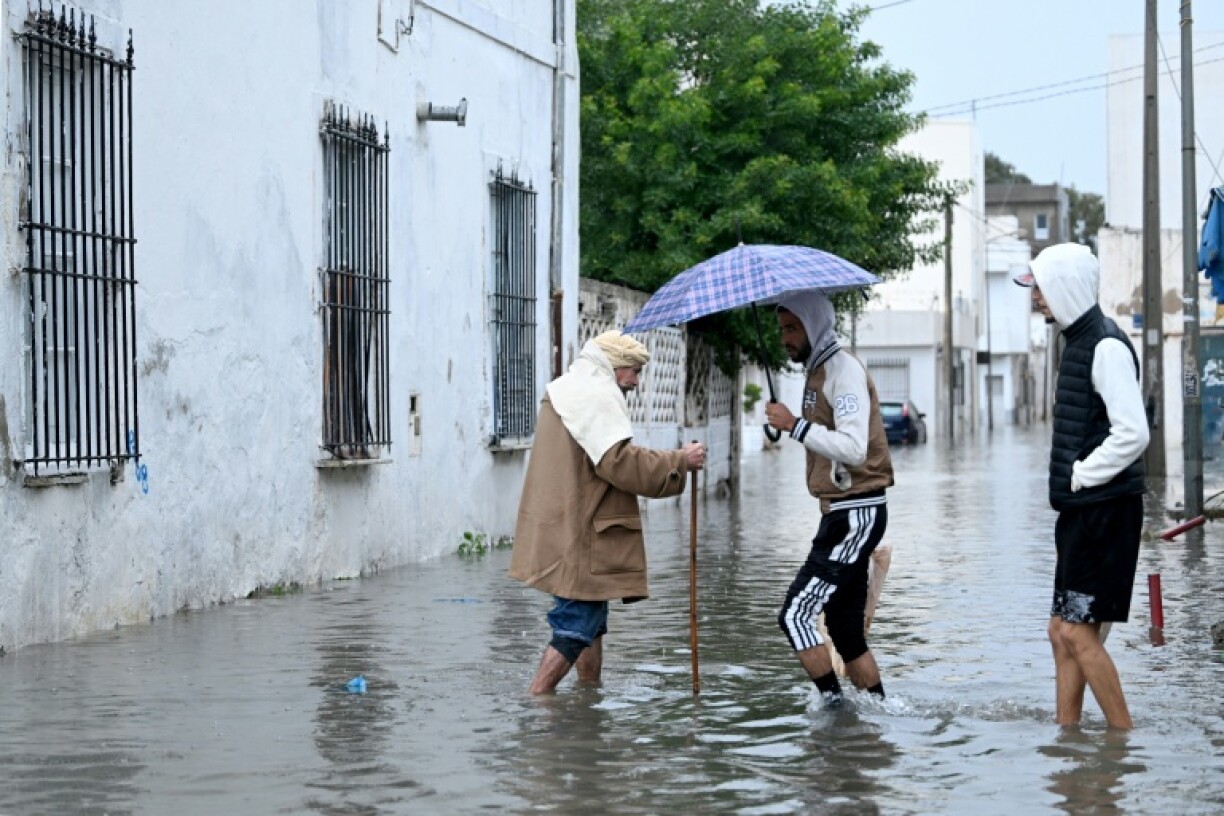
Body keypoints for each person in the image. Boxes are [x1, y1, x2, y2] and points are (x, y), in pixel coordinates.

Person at [509, 330, 706, 694]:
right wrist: (680, 460)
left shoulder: (569, 388)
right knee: (577, 623)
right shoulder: (596, 395)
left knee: (591, 619)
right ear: (613, 365)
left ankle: (588, 698)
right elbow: (618, 462)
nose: (635, 382)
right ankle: (537, 700)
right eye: (634, 371)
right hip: (582, 532)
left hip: (565, 526)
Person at [1015, 243, 1149, 730]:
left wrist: (1081, 473)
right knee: (1061, 631)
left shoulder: (1106, 345)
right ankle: (1067, 738)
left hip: (1105, 513)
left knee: (1078, 631)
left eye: (1042, 289)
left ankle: (1122, 741)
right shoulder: (1077, 341)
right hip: (1082, 513)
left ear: (1066, 285)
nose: (1037, 300)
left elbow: (1133, 432)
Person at [763, 290, 894, 705]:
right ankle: (877, 712)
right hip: (843, 511)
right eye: (782, 328)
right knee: (844, 629)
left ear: (814, 325)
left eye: (791, 328)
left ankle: (837, 714)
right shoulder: (818, 370)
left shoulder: (842, 370)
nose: (785, 338)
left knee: (795, 614)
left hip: (855, 513)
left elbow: (855, 448)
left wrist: (796, 425)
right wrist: (783, 426)